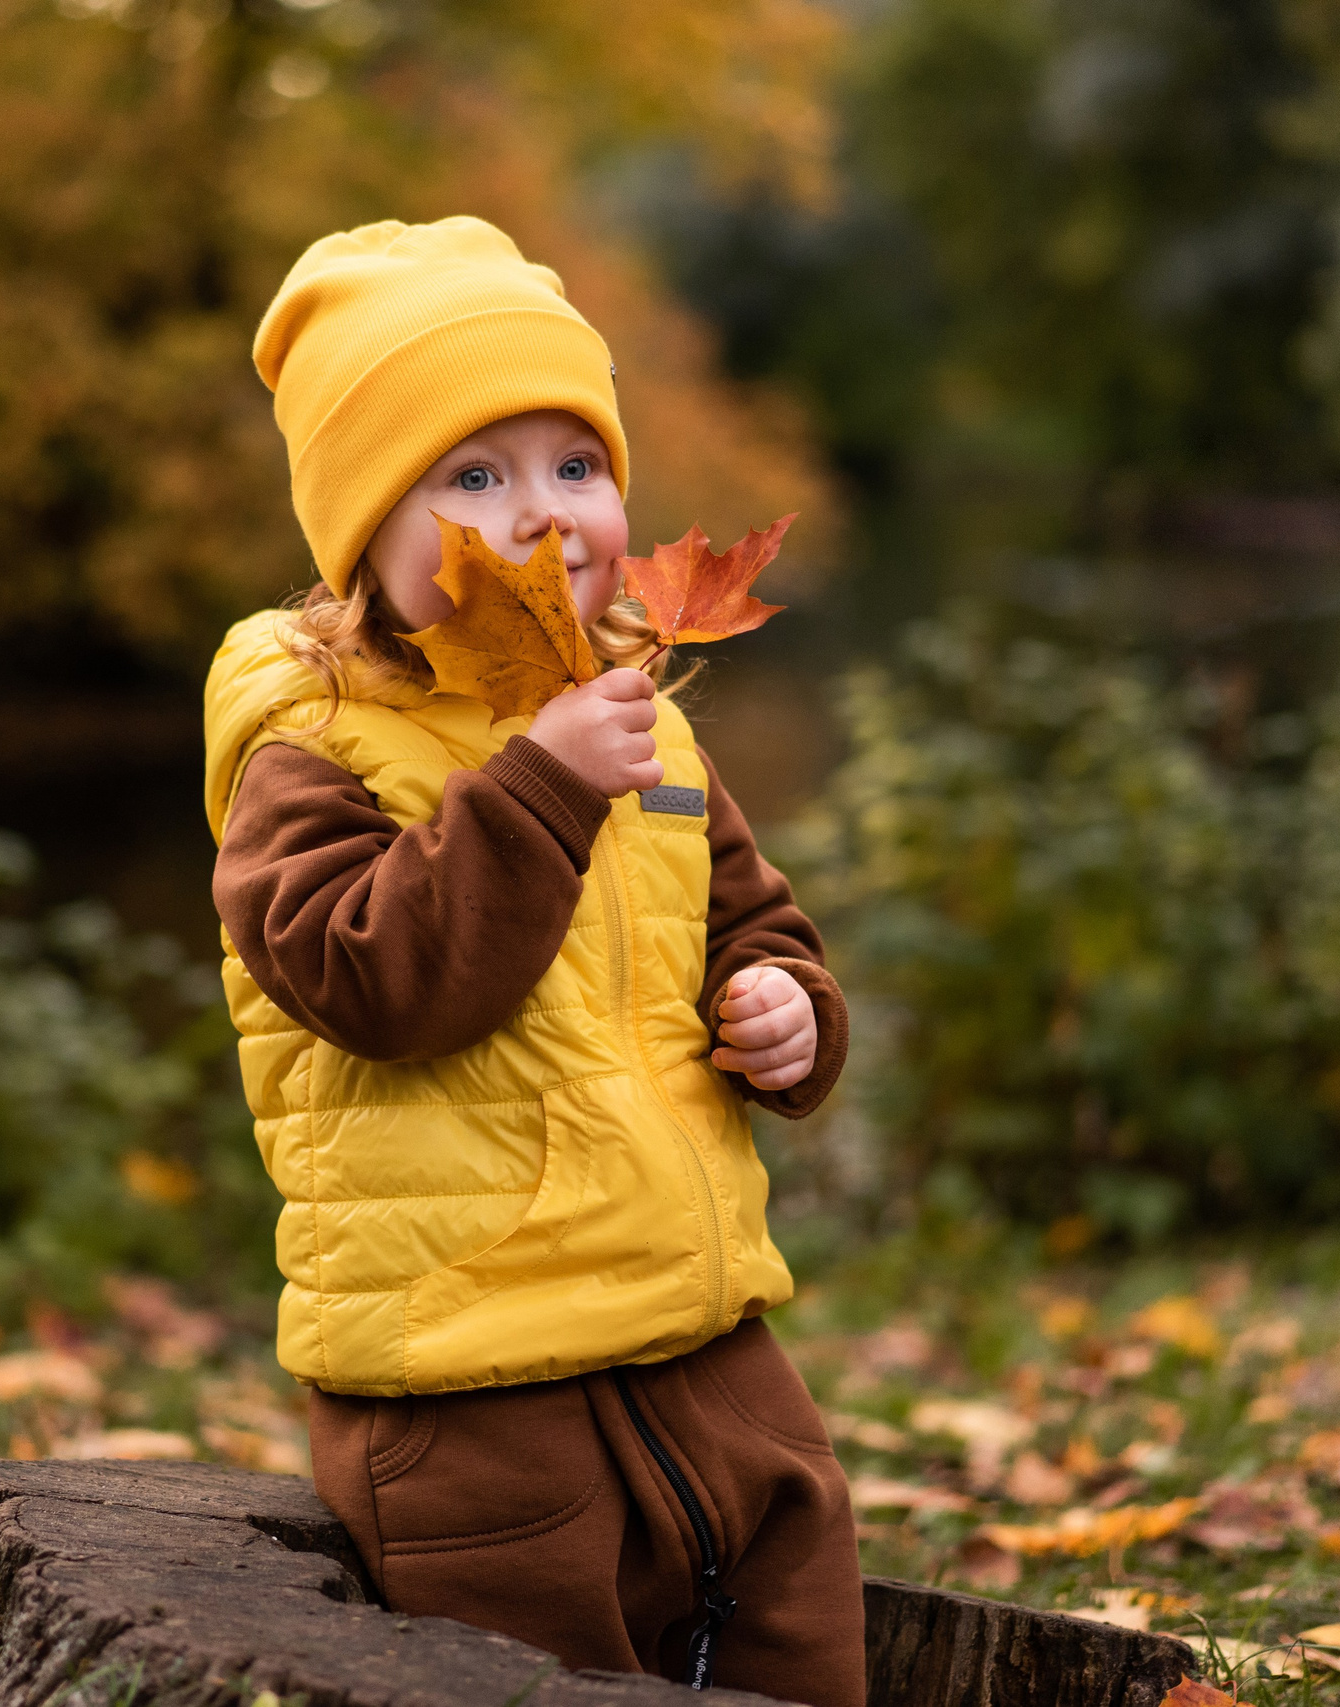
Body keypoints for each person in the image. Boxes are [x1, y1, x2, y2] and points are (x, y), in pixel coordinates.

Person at [202, 216, 865, 1707]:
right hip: (468, 1372)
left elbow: (750, 920)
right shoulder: (309, 748)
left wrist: (787, 1016)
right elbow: (372, 981)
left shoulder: (648, 723)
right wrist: (544, 787)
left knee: (800, 1633)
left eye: (578, 466)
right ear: (365, 527)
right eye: (474, 478)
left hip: (699, 1328)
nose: (545, 517)